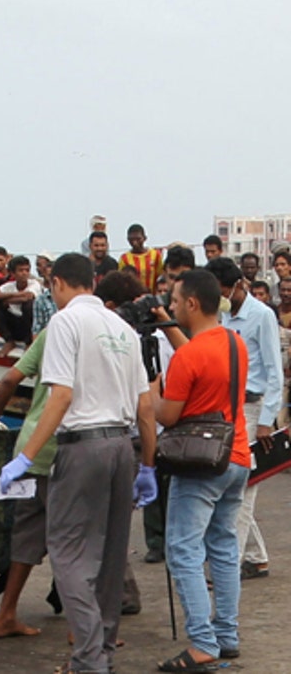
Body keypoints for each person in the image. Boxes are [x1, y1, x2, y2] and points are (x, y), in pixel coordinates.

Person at [0, 253, 157, 674]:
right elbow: (145, 407)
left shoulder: (65, 322)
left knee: (68, 554)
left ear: (57, 283)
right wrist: (148, 466)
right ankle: (102, 652)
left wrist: (26, 456)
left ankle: (89, 659)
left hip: (82, 446)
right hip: (122, 446)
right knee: (110, 555)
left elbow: (62, 396)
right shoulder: (123, 329)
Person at [150, 269, 249, 671]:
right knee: (223, 547)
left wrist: (151, 395)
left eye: (174, 301)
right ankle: (226, 634)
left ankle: (203, 642)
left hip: (200, 465)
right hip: (235, 454)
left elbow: (168, 416)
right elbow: (204, 360)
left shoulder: (187, 357)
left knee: (183, 550)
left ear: (191, 303)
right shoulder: (234, 342)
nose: (171, 307)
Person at [0, 326, 56, 640]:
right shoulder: (102, 333)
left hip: (30, 447)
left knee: (27, 533)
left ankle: (6, 613)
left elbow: (9, 379)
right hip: (65, 449)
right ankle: (81, 627)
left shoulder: (51, 332)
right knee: (72, 540)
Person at [206, 257, 283, 581]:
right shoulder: (222, 316)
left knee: (242, 490)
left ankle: (228, 566)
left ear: (238, 285)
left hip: (253, 408)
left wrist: (266, 419)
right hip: (229, 408)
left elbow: (274, 371)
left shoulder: (262, 315)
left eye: (222, 290)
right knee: (235, 485)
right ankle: (256, 557)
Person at [0, 255, 41, 357]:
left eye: (27, 270)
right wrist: (15, 294)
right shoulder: (9, 286)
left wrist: (5, 300)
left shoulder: (34, 284)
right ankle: (9, 341)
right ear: (12, 273)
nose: (24, 273)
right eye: (21, 270)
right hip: (14, 324)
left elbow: (27, 297)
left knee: (28, 305)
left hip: (29, 326)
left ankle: (29, 342)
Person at [118, 223, 164, 294]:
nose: (135, 243)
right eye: (131, 239)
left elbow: (161, 276)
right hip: (133, 297)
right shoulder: (124, 259)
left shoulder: (155, 255)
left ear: (145, 238)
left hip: (152, 296)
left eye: (138, 239)